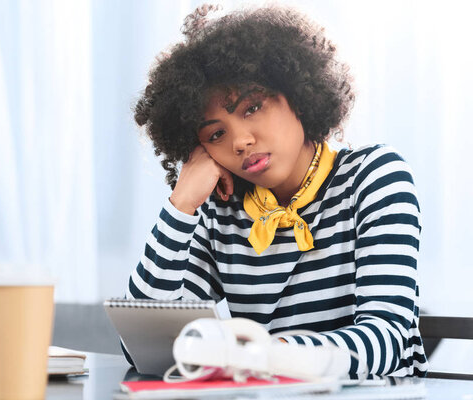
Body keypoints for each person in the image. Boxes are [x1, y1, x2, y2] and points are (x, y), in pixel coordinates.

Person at [127, 4, 427, 377]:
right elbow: (143, 346)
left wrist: (261, 353)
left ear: (298, 95)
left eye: (252, 107)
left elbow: (386, 341)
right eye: (216, 134)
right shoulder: (222, 212)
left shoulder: (373, 177)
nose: (240, 141)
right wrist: (182, 203)